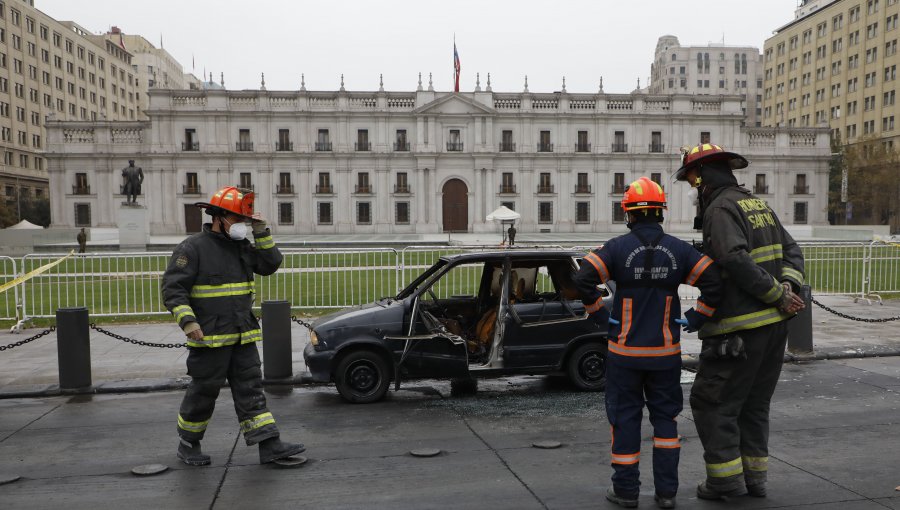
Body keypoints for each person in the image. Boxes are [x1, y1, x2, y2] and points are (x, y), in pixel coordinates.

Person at [575, 177, 723, 509]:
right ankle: (667, 494)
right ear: (660, 212)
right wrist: (698, 317)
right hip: (665, 355)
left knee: (625, 420)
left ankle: (626, 492)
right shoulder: (680, 250)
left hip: (623, 354)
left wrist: (598, 313)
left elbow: (583, 276)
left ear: (628, 213)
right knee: (665, 422)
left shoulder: (615, 249)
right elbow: (713, 279)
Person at [674, 143, 806, 500]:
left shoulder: (720, 208)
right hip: (774, 328)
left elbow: (733, 258)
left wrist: (776, 293)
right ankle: (754, 479)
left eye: (691, 181)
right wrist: (788, 287)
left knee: (713, 403)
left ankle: (724, 481)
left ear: (701, 178)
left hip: (738, 330)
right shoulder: (757, 204)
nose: (691, 190)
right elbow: (792, 251)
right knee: (753, 405)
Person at [161, 185, 304, 466]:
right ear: (219, 217)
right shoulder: (192, 248)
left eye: (244, 221)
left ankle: (269, 443)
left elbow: (270, 264)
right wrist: (188, 321)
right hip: (209, 340)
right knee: (203, 394)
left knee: (251, 391)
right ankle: (188, 442)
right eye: (238, 220)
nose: (242, 226)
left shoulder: (242, 247)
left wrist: (262, 231)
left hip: (242, 335)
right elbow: (173, 288)